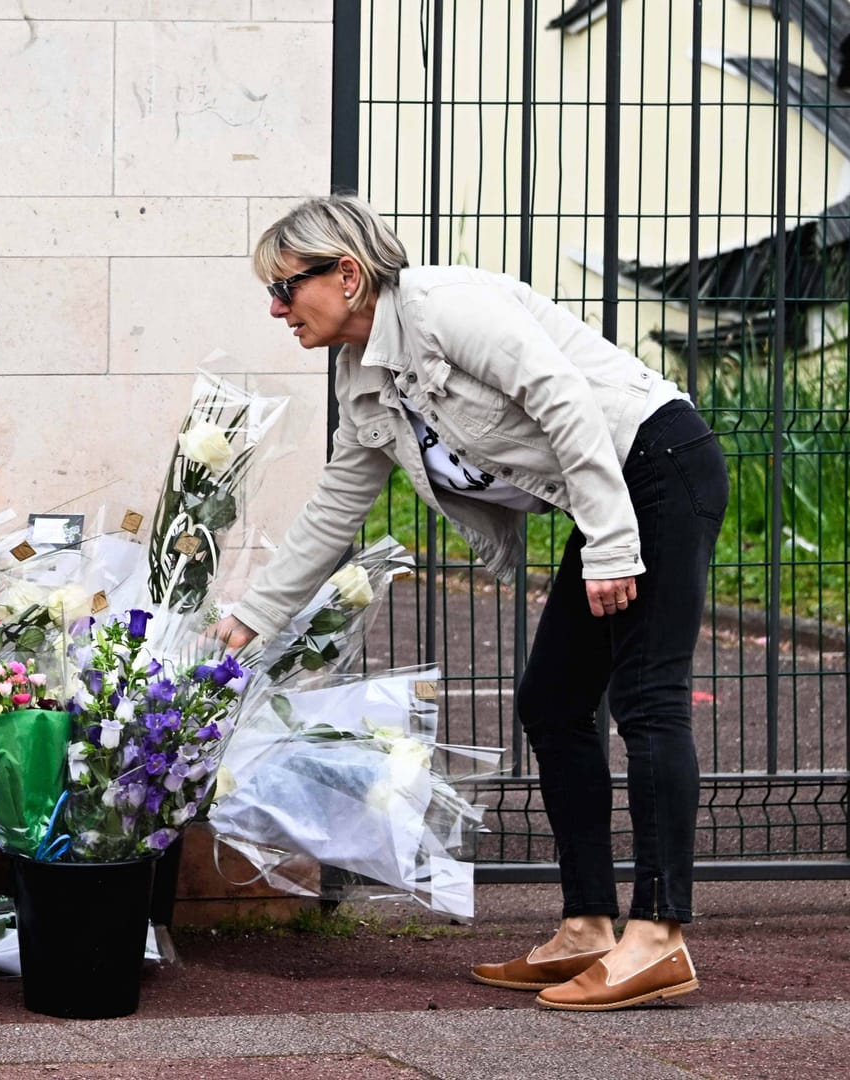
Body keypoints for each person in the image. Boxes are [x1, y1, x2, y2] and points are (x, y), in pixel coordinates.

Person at [213, 195, 727, 1012]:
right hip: (610, 495)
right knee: (554, 702)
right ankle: (591, 925)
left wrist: (611, 542)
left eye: (285, 288)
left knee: (648, 700)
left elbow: (563, 400)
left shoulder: (446, 308)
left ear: (347, 275)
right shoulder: (363, 379)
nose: (276, 309)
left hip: (656, 466)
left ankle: (659, 938)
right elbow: (335, 507)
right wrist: (250, 618)